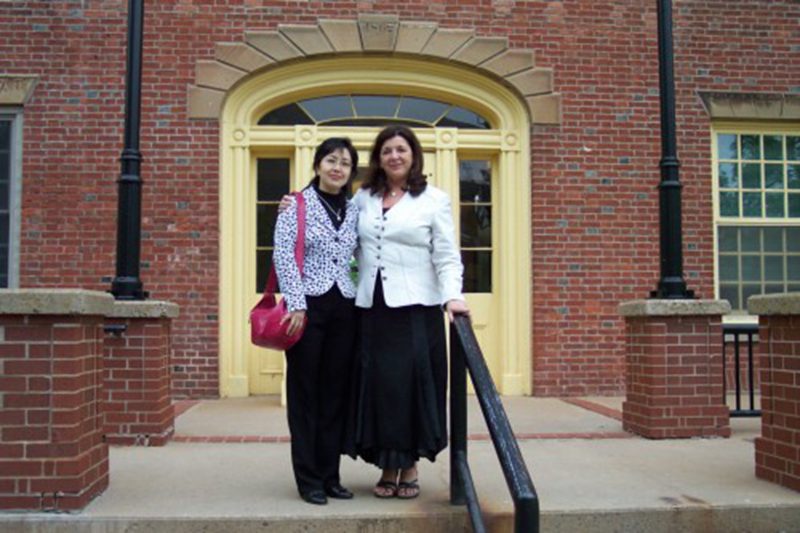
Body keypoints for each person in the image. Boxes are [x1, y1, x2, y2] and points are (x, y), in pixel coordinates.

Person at [348, 125, 470, 499]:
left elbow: (446, 255)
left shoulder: (434, 200)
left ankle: (410, 465)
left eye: (401, 149)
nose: (394, 156)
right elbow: (338, 230)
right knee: (382, 389)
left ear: (414, 155)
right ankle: (388, 465)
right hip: (373, 310)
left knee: (411, 387)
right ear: (378, 158)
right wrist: (297, 205)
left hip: (416, 310)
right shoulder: (363, 197)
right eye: (387, 150)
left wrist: (453, 296)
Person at [273, 137, 360, 505]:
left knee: (335, 395)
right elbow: (283, 255)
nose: (337, 168)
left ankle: (330, 475)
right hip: (308, 308)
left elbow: (361, 254)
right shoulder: (296, 205)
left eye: (345, 163)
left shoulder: (355, 209)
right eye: (331, 160)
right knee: (306, 395)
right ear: (318, 164)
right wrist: (296, 305)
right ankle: (308, 479)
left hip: (347, 309)